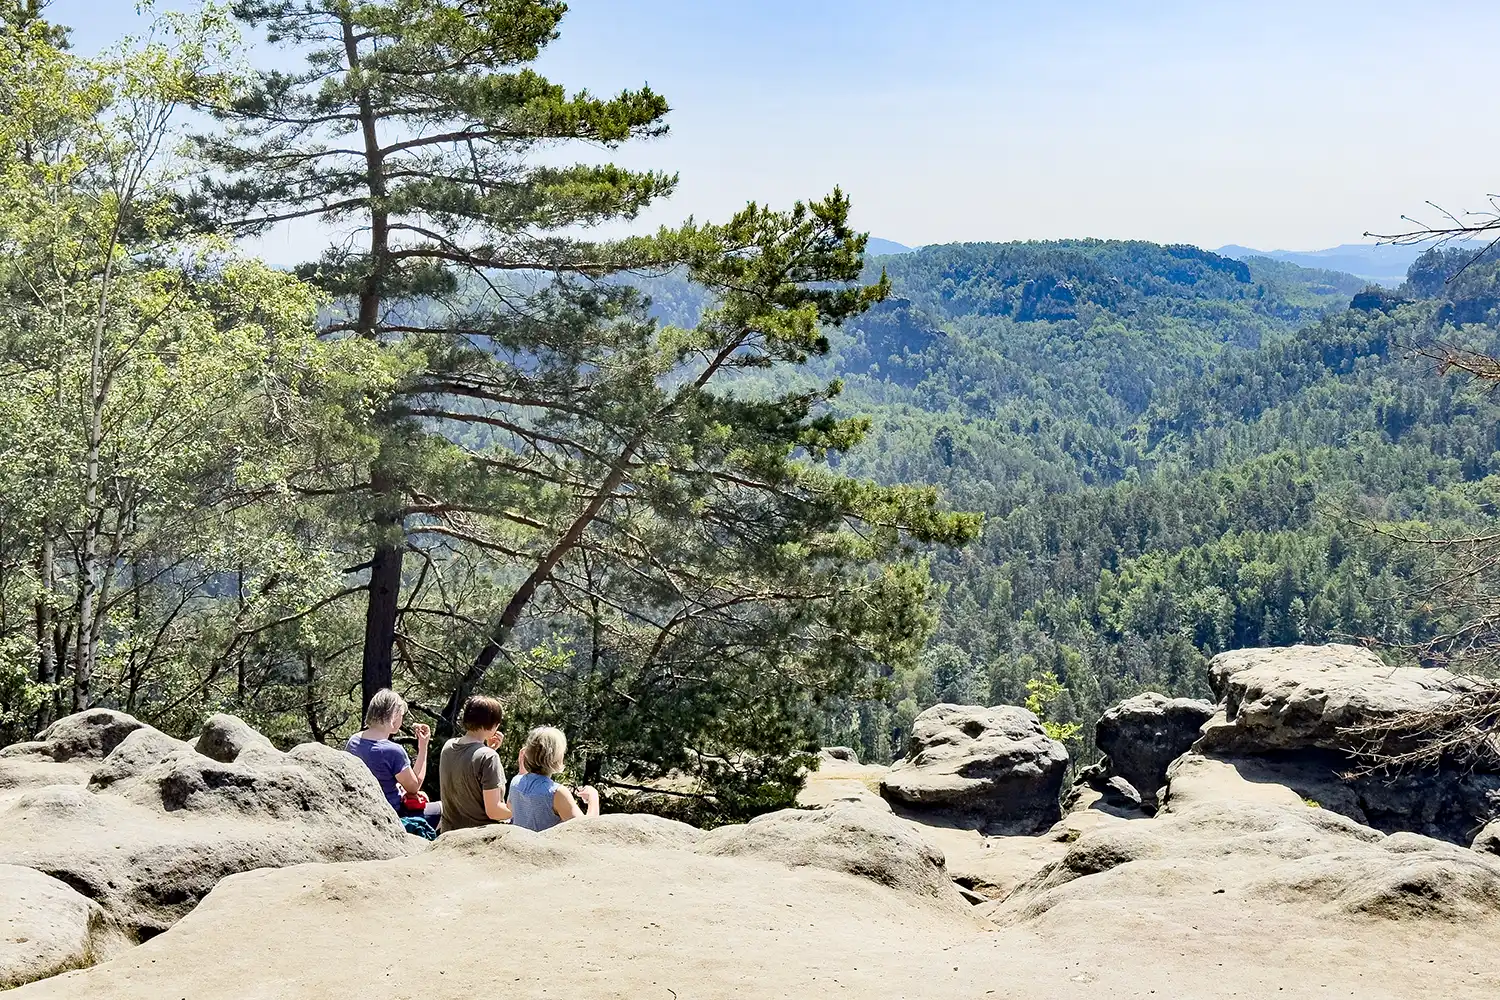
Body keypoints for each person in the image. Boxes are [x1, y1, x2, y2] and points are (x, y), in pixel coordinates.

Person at [345, 688, 442, 832]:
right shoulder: (392, 751)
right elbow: (414, 786)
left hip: (363, 812)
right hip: (392, 816)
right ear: (394, 715)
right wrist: (423, 747)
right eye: (401, 715)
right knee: (445, 809)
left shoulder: (353, 741)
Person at [437, 694, 512, 833]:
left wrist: (489, 749)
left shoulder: (448, 746)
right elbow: (494, 811)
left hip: (449, 832)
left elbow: (467, 768)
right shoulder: (489, 758)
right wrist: (517, 810)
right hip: (478, 837)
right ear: (493, 724)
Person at [507, 726, 599, 832]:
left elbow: (510, 810)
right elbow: (586, 830)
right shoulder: (557, 792)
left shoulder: (515, 782)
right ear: (557, 757)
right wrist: (593, 797)